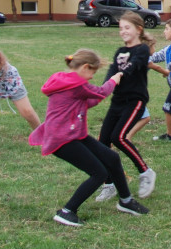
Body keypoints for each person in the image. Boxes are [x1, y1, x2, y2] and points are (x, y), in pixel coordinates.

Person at [28, 49, 149, 226]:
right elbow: (100, 92)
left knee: (112, 158)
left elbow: (87, 101)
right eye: (93, 72)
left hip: (73, 134)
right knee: (99, 173)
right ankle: (67, 211)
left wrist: (98, 95)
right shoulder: (76, 83)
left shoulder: (66, 80)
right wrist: (113, 80)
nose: (92, 77)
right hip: (63, 139)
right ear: (85, 67)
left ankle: (126, 201)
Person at [95, 12, 159, 201]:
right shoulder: (119, 52)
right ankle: (109, 184)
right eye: (121, 28)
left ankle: (146, 172)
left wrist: (121, 75)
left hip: (135, 101)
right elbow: (112, 71)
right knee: (103, 142)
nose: (123, 31)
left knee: (119, 137)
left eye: (127, 28)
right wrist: (104, 89)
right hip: (117, 101)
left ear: (138, 30)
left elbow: (134, 65)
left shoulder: (142, 50)